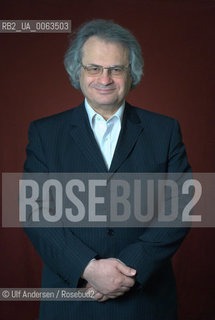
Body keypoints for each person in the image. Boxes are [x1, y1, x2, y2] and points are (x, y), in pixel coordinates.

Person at [24, 19, 191, 320]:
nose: (105, 78)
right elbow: (34, 211)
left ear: (132, 73)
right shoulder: (44, 133)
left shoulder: (165, 131)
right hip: (71, 301)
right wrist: (87, 267)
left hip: (146, 301)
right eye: (94, 68)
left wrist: (127, 271)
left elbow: (183, 206)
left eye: (116, 68)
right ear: (78, 71)